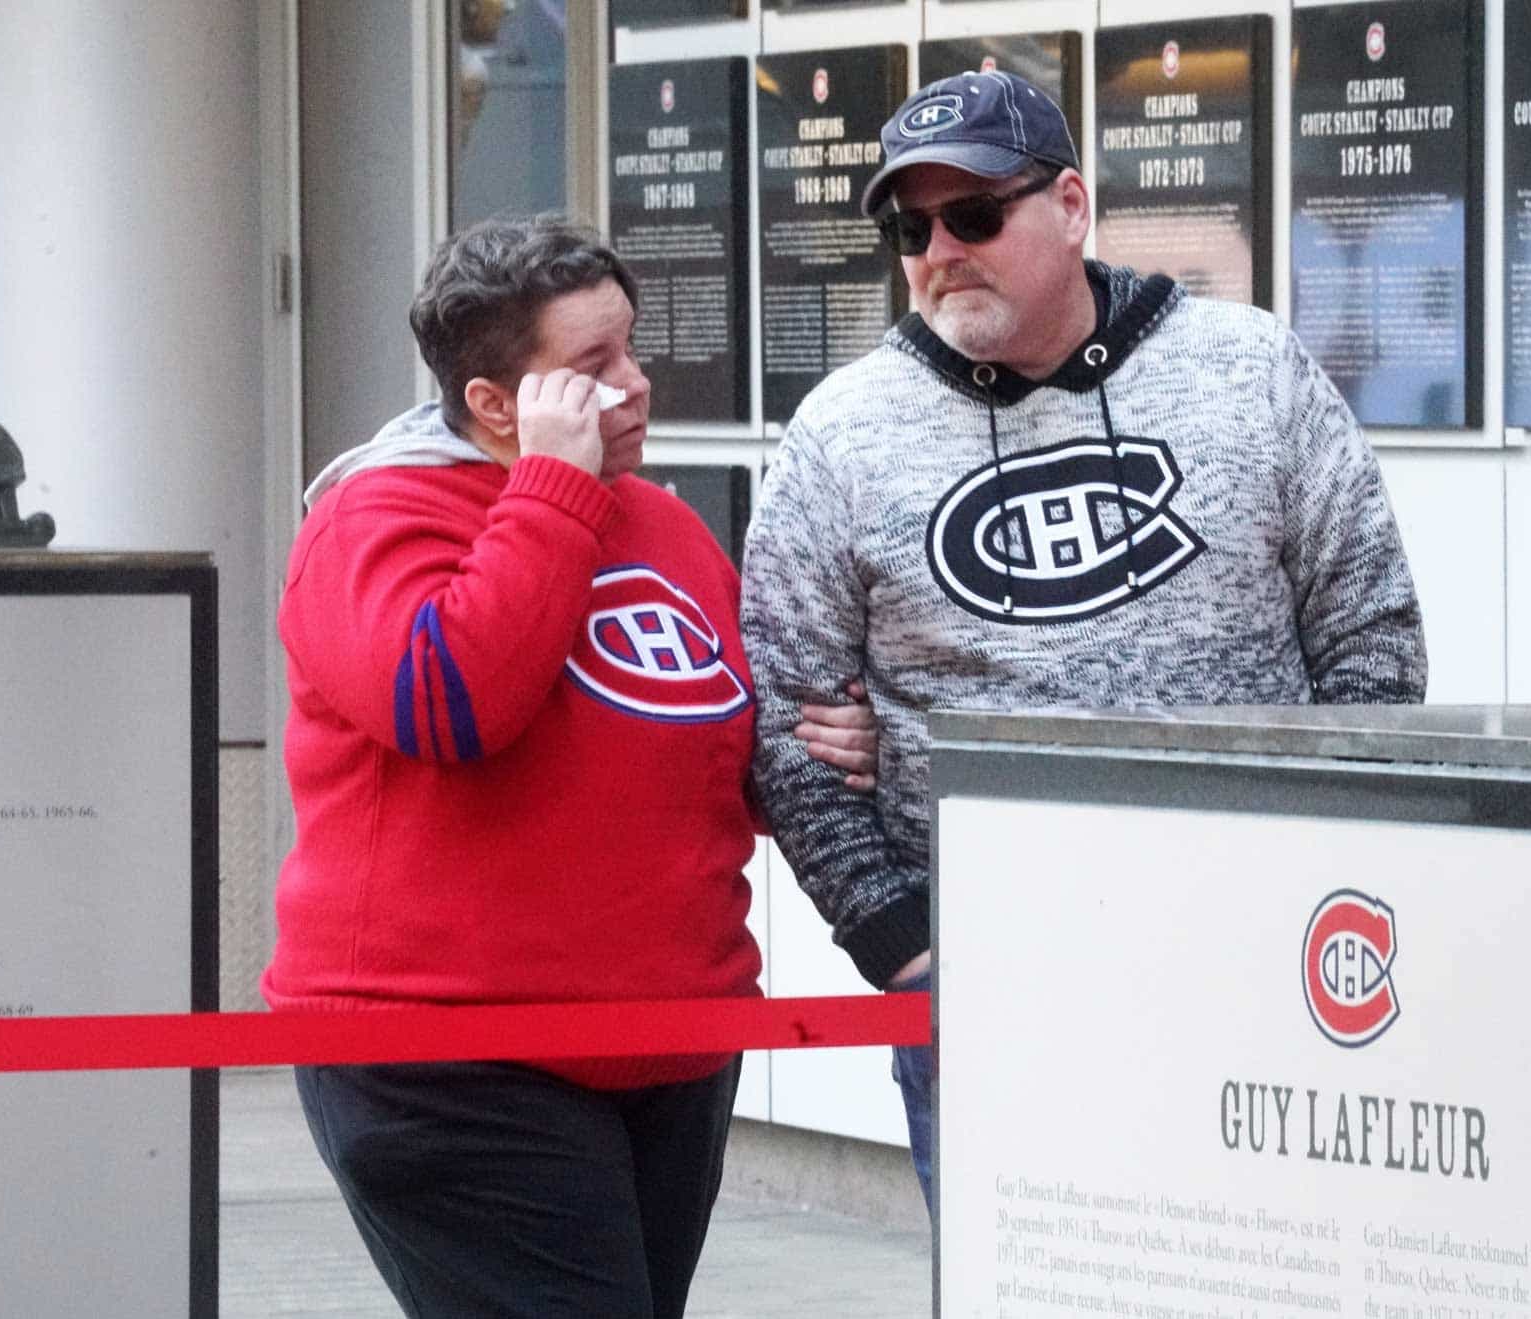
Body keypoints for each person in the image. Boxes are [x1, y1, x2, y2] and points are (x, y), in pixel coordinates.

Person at [739, 71, 1427, 1218]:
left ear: (1069, 204)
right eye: (911, 228)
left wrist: (1322, 881)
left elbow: (1371, 647)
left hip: (1255, 957)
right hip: (986, 983)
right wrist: (902, 946)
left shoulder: (1249, 370)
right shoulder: (840, 435)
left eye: (973, 215)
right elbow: (784, 716)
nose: (939, 251)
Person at [262, 214, 877, 1319]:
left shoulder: (661, 523)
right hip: (449, 1059)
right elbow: (450, 700)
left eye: (631, 349)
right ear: (496, 403)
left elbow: (708, 741)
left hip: (667, 1048)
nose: (636, 387)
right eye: (591, 369)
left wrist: (821, 745)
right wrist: (549, 489)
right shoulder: (371, 520)